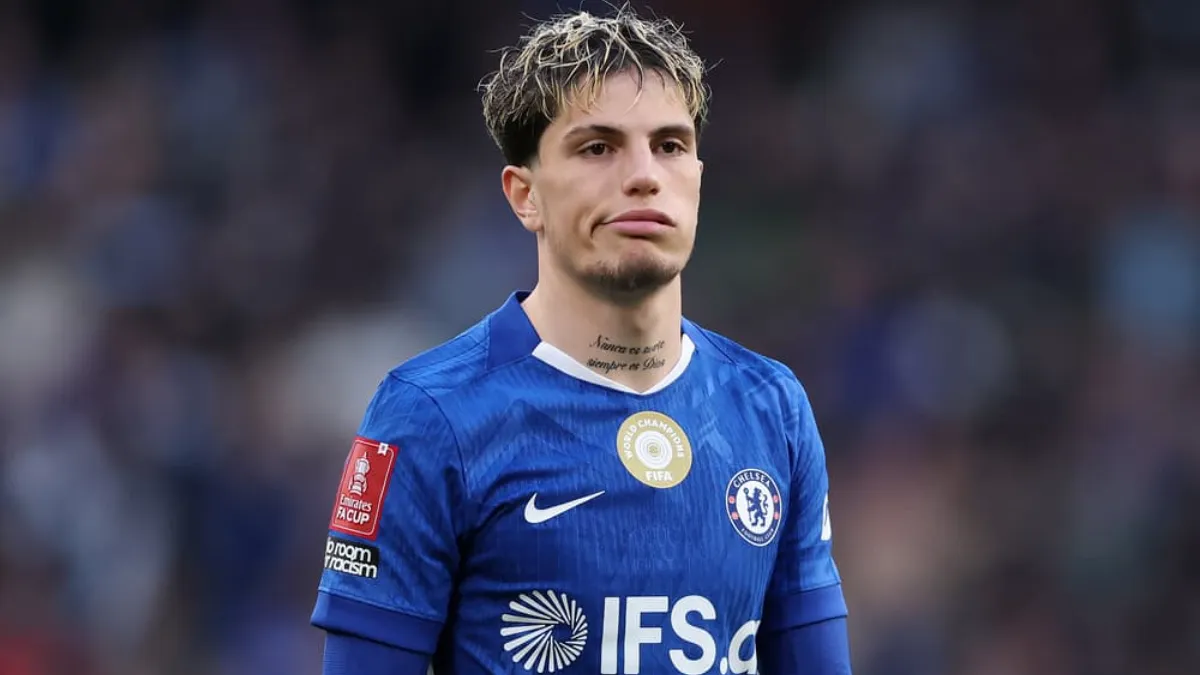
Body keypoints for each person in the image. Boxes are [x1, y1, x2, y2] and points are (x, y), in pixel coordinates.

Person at [311, 7, 852, 674]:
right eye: (598, 147)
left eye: (670, 145)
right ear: (525, 195)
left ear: (698, 178)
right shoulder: (427, 416)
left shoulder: (772, 408)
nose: (644, 175)